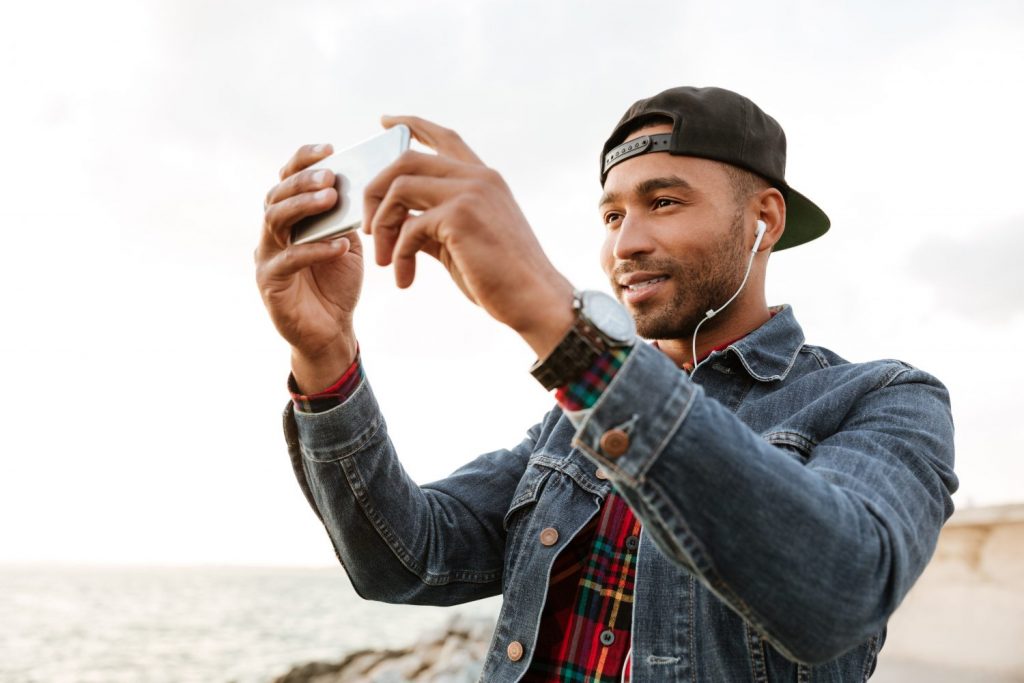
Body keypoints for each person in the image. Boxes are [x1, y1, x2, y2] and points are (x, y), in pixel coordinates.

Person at [255, 86, 957, 682]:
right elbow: (408, 559)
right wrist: (324, 355)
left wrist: (560, 325)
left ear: (763, 219)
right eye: (613, 215)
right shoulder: (572, 418)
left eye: (664, 202)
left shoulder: (886, 398)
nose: (625, 245)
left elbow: (839, 592)